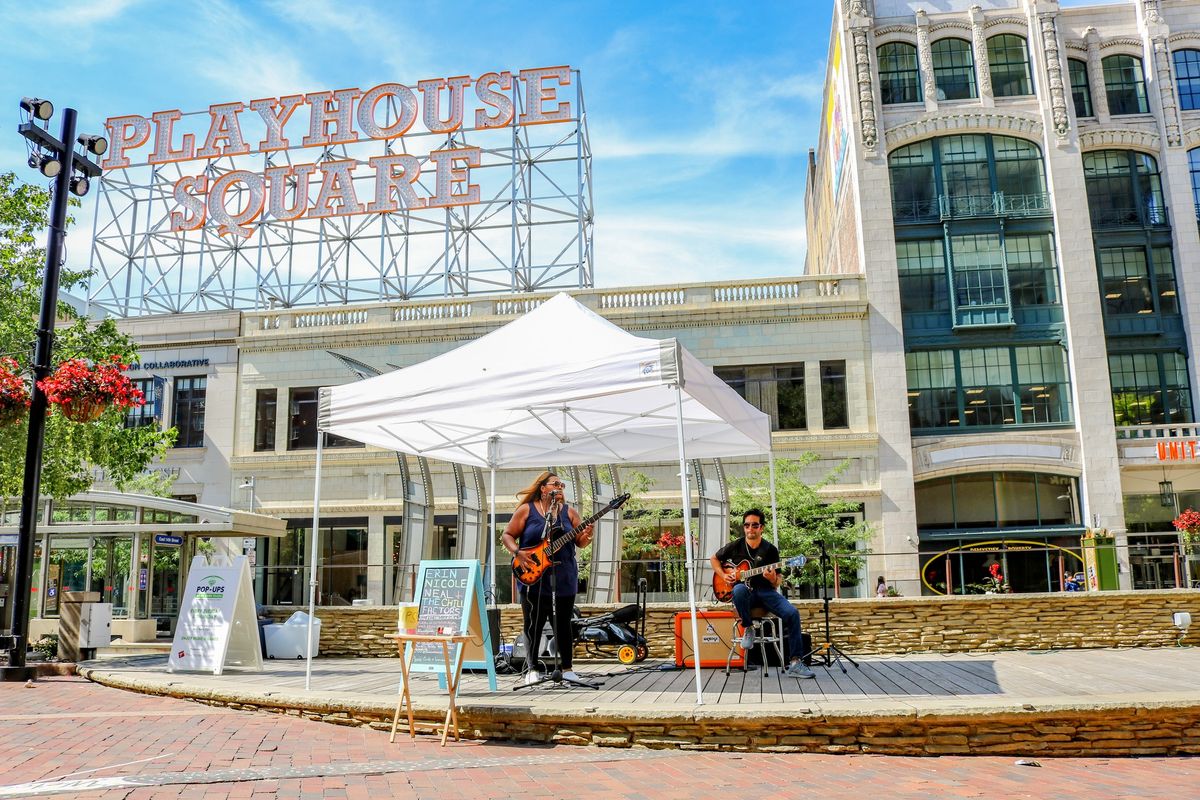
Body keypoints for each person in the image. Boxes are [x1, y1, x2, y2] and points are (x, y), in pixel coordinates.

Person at [501, 470, 594, 685]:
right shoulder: (527, 510)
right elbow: (507, 535)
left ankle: (567, 669)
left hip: (563, 576)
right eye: (555, 484)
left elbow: (580, 542)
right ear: (543, 488)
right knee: (533, 623)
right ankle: (532, 668)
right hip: (533, 576)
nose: (559, 488)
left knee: (563, 623)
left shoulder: (569, 513)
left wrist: (588, 535)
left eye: (562, 485)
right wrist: (518, 552)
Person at [710, 508, 815, 679]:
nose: (750, 528)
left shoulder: (770, 550)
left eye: (754, 525)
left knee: (792, 613)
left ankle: (795, 663)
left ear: (762, 528)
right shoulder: (735, 546)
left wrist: (773, 578)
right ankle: (748, 627)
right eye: (747, 525)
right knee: (738, 588)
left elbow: (777, 581)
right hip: (744, 595)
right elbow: (713, 559)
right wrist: (724, 575)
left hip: (765, 592)